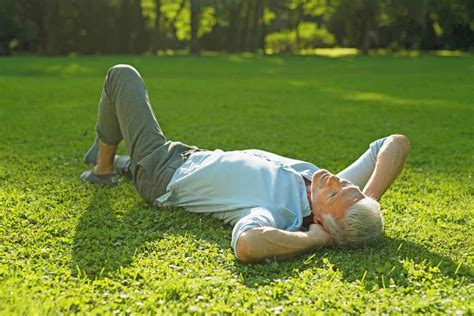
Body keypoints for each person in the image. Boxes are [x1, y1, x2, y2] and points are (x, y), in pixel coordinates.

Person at [80, 64, 410, 263]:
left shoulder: (280, 212)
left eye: (338, 195)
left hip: (162, 172)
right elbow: (394, 143)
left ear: (323, 221)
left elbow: (247, 245)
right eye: (349, 187)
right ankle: (113, 158)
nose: (336, 181)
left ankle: (104, 169)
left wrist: (315, 240)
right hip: (192, 155)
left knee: (121, 77)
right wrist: (368, 199)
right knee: (127, 153)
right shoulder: (331, 187)